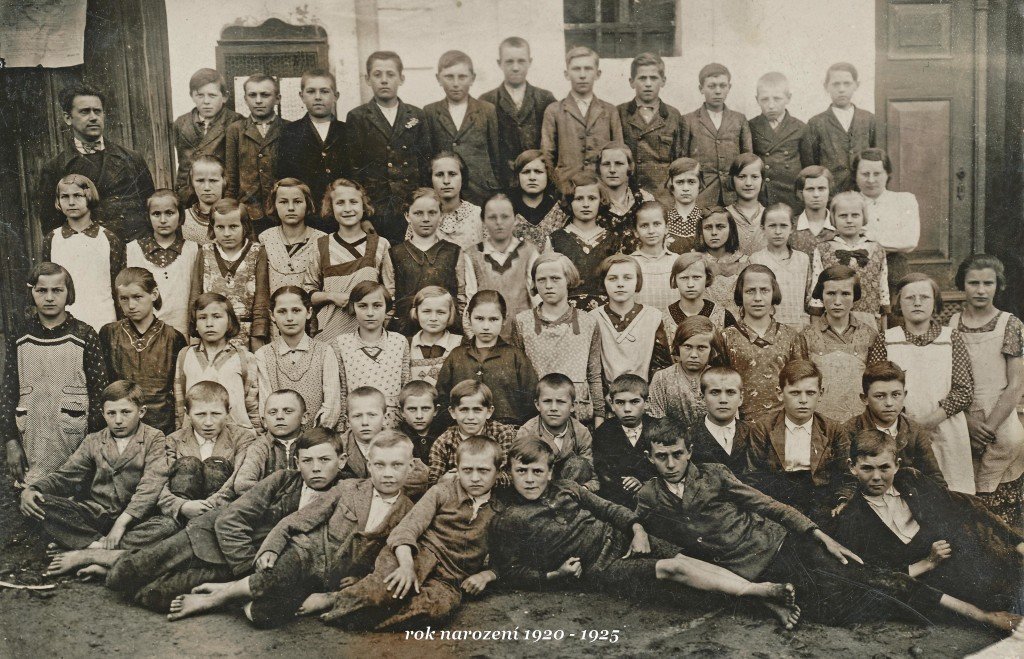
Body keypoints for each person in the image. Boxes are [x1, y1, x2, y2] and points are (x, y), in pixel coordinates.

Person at [639, 428, 1021, 632]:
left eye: (677, 454)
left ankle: (982, 616)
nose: (671, 463)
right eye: (662, 456)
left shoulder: (714, 475)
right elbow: (641, 523)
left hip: (782, 544)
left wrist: (820, 535)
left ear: (689, 451)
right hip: (745, 568)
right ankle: (769, 600)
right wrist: (638, 529)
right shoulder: (649, 495)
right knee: (836, 607)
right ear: (650, 457)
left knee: (870, 584)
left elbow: (769, 506)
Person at [492, 438, 801, 629]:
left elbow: (610, 509)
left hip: (622, 538)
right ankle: (756, 592)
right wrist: (555, 575)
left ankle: (763, 597)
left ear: (549, 473)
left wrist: (637, 529)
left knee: (691, 560)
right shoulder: (509, 519)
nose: (529, 479)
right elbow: (511, 571)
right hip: (603, 566)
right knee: (676, 569)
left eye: (537, 471)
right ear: (510, 473)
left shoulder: (568, 488)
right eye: (522, 471)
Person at [44, 427, 345, 612]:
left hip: (232, 565)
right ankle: (93, 556)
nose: (316, 468)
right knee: (128, 574)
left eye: (324, 460)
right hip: (209, 537)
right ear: (297, 462)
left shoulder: (346, 494)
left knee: (152, 596)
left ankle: (112, 565)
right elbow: (231, 521)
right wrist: (244, 572)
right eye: (308, 461)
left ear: (341, 462)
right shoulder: (281, 481)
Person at [165, 432, 418, 626]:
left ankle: (231, 589)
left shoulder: (409, 510)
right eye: (380, 465)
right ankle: (211, 600)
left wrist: (360, 578)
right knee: (275, 576)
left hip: (327, 577)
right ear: (369, 466)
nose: (388, 474)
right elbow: (297, 520)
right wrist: (272, 548)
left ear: (411, 467)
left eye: (396, 465)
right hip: (305, 553)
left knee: (263, 615)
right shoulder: (349, 488)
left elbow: (385, 555)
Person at [320, 436, 504, 630]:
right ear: (457, 469)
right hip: (415, 555)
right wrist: (407, 566)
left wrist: (486, 575)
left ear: (498, 472)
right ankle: (335, 599)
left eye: (483, 471)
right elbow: (406, 529)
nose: (475, 478)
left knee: (435, 609)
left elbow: (504, 561)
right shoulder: (441, 492)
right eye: (467, 470)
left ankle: (366, 618)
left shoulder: (499, 511)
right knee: (386, 589)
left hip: (450, 577)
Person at [834, 430, 1024, 613]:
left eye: (885, 468)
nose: (877, 477)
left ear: (897, 465)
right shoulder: (851, 516)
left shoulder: (910, 480)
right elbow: (873, 575)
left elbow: (965, 504)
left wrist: (1017, 541)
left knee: (1004, 570)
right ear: (852, 467)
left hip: (954, 559)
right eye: (867, 468)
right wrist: (927, 563)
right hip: (920, 584)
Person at [18, 380, 169, 550]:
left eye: (126, 412)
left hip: (135, 517)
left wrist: (121, 522)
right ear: (103, 414)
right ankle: (100, 546)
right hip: (98, 514)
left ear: (141, 412)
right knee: (37, 502)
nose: (118, 420)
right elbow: (66, 476)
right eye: (111, 413)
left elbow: (152, 483)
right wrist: (34, 488)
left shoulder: (154, 438)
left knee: (167, 525)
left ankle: (85, 545)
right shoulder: (93, 440)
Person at [2, 263, 108, 485]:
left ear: (69, 293)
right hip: (32, 438)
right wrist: (11, 441)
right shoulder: (20, 336)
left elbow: (99, 394)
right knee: (33, 496)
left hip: (74, 438)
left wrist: (92, 447)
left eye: (57, 290)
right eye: (42, 290)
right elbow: (9, 392)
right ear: (32, 293)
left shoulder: (85, 335)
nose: (49, 297)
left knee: (73, 494)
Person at [868, 273, 975, 493]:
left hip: (946, 428)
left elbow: (963, 391)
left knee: (950, 493)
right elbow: (876, 387)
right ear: (899, 303)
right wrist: (906, 424)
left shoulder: (951, 338)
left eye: (924, 297)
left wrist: (927, 423)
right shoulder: (886, 339)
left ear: (935, 302)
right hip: (899, 430)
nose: (917, 302)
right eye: (910, 298)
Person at [950, 254, 1024, 521]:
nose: (981, 290)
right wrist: (967, 422)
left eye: (988, 283)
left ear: (998, 285)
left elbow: (1015, 385)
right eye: (974, 283)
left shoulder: (1010, 324)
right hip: (964, 417)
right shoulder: (952, 325)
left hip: (1000, 418)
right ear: (963, 284)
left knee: (999, 485)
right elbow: (947, 380)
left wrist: (988, 429)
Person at [40, 83, 155, 240]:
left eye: (97, 111)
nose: (93, 117)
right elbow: (52, 228)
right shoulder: (55, 167)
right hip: (86, 248)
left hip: (131, 247)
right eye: (85, 111)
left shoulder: (132, 159)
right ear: (68, 118)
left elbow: (151, 209)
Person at [746, 360, 852, 521]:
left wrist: (843, 500)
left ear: (821, 393)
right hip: (777, 505)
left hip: (822, 504)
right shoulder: (763, 428)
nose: (803, 400)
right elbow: (752, 476)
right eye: (795, 393)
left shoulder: (833, 429)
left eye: (810, 393)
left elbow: (847, 474)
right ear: (780, 393)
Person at [346, 51, 431, 245]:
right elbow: (354, 170)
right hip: (376, 208)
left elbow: (425, 164)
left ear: (401, 78)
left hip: (411, 206)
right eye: (377, 74)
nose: (384, 80)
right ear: (367, 79)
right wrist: (363, 216)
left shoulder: (416, 115)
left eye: (390, 74)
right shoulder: (358, 117)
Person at [510, 253, 604, 425]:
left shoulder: (588, 322)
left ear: (568, 279)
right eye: (541, 280)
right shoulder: (522, 322)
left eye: (555, 278)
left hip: (579, 416)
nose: (548, 286)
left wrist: (599, 419)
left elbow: (594, 375)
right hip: (537, 416)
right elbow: (517, 377)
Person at [100, 267, 188, 434]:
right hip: (120, 424)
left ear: (154, 294)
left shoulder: (173, 337)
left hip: (162, 426)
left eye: (137, 297)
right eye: (124, 299)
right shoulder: (109, 334)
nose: (131, 305)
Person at [303, 178, 390, 343]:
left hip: (371, 337)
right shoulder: (321, 245)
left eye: (354, 202)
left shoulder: (380, 244)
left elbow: (390, 293)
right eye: (340, 203)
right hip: (330, 336)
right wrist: (332, 296)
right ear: (331, 207)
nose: (348, 209)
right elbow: (308, 293)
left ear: (363, 206)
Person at [158, 381, 256, 525]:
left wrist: (209, 507)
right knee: (188, 463)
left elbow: (239, 478)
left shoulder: (242, 438)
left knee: (216, 463)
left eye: (216, 414)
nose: (208, 422)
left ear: (228, 411)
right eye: (200, 414)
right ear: (187, 412)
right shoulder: (173, 441)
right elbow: (160, 483)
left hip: (222, 514)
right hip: (181, 514)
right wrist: (182, 506)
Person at [436, 291, 538, 425]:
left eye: (493, 319)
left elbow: (531, 400)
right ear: (468, 317)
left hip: (507, 432)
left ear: (504, 319)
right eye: (479, 319)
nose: (486, 326)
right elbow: (442, 398)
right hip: (465, 431)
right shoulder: (456, 356)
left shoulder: (515, 357)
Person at [792, 266, 878, 422]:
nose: (837, 302)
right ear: (821, 295)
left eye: (845, 294)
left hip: (860, 422)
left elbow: (876, 386)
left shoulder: (869, 335)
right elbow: (800, 385)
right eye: (831, 293)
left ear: (854, 296)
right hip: (819, 423)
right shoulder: (806, 336)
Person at [842, 361, 946, 487]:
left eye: (896, 395)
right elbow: (845, 483)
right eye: (880, 396)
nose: (889, 403)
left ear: (904, 395)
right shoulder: (849, 431)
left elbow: (935, 479)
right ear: (865, 398)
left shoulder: (915, 430)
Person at [43, 173, 125, 331]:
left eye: (77, 195)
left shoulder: (108, 238)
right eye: (65, 196)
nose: (71, 202)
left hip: (102, 319)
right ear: (58, 201)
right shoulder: (52, 239)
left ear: (89, 196)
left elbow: (119, 286)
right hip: (64, 322)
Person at [382, 188, 469, 336]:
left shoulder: (454, 251)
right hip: (405, 330)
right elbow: (389, 300)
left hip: (447, 332)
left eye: (432, 213)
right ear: (407, 216)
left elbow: (462, 299)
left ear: (441, 216)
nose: (426, 219)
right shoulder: (395, 254)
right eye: (418, 213)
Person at [189, 198, 271, 350]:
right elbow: (196, 295)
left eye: (233, 226)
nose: (226, 233)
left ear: (245, 226)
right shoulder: (205, 252)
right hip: (210, 332)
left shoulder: (257, 252)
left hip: (246, 334)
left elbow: (261, 299)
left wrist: (258, 335)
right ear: (212, 227)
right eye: (220, 227)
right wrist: (194, 333)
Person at [255, 286, 341, 429]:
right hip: (278, 436)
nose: (289, 318)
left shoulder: (324, 351)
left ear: (309, 312)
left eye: (296, 310)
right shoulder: (263, 355)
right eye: (282, 311)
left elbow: (332, 404)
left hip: (318, 437)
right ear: (272, 315)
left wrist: (315, 436)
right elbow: (265, 404)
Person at [721, 265, 799, 420]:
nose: (757, 298)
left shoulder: (790, 336)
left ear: (774, 293)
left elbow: (800, 384)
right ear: (740, 294)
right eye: (750, 291)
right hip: (741, 424)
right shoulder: (727, 337)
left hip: (782, 424)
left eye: (764, 290)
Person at [541, 46, 624, 193]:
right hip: (566, 189)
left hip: (601, 189)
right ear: (567, 74)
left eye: (588, 69)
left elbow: (619, 153)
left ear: (597, 74)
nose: (582, 75)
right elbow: (547, 155)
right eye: (576, 69)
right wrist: (558, 187)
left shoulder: (610, 111)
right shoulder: (554, 111)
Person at [174, 292, 261, 431]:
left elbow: (251, 405)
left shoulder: (244, 357)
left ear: (229, 322)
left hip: (236, 436)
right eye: (202, 318)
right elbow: (180, 403)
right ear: (195, 324)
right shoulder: (185, 355)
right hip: (196, 435)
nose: (209, 324)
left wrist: (256, 435)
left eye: (216, 317)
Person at [424, 50, 501, 205]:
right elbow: (428, 155)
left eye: (462, 77)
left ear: (472, 78)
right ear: (438, 78)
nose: (456, 83)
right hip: (445, 191)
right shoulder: (430, 112)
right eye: (449, 77)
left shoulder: (487, 110)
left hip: (481, 191)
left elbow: (495, 154)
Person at [275, 68, 349, 221]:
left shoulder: (348, 131)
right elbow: (284, 176)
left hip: (342, 214)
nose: (318, 97)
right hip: (305, 216)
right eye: (311, 91)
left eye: (324, 91)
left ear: (336, 96)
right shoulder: (289, 132)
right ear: (301, 96)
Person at [481, 37, 556, 187]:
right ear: (499, 63)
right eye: (509, 61)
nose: (515, 67)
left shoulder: (545, 98)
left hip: (538, 180)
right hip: (503, 181)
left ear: (530, 62)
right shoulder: (487, 101)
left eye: (521, 61)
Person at [335, 281, 410, 430]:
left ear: (387, 308)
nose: (370, 313)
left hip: (393, 426)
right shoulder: (342, 343)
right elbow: (342, 391)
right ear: (353, 307)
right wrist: (341, 427)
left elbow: (406, 385)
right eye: (362, 306)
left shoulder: (399, 342)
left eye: (377, 306)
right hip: (357, 424)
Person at [463, 194, 539, 339]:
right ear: (483, 220)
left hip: (524, 335)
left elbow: (537, 298)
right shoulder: (472, 255)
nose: (499, 222)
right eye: (492, 217)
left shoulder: (529, 252)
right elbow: (469, 300)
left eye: (505, 217)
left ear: (515, 219)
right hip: (486, 336)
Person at [126, 189, 199, 335]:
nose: (163, 220)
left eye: (169, 213)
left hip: (182, 329)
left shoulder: (193, 250)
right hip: (144, 330)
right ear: (148, 217)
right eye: (156, 214)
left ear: (180, 215)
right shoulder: (133, 249)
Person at [591, 254, 672, 385]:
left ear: (637, 281)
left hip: (644, 392)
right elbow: (592, 367)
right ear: (603, 282)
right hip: (606, 393)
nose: (620, 284)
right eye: (612, 278)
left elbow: (661, 366)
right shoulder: (593, 318)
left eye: (627, 278)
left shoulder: (653, 317)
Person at [618, 52, 686, 207]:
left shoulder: (673, 116)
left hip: (663, 198)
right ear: (631, 82)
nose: (648, 84)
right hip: (629, 195)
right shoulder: (620, 113)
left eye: (653, 78)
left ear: (663, 81)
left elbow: (679, 162)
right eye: (642, 78)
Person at [811, 191, 889, 325]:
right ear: (833, 218)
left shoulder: (877, 250)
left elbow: (883, 293)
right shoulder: (823, 249)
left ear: (863, 217)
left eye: (855, 215)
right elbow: (816, 294)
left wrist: (883, 328)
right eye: (843, 216)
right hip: (833, 321)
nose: (849, 220)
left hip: (868, 320)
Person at [683, 63, 752, 208]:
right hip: (702, 195)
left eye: (723, 85)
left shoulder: (739, 119)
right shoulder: (688, 121)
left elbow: (748, 159)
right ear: (701, 88)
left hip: (733, 194)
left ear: (729, 87)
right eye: (712, 86)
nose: (718, 91)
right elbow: (682, 162)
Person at [549, 172, 620, 310]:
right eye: (579, 198)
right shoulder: (555, 240)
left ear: (601, 200)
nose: (586, 204)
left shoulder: (613, 240)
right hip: (566, 311)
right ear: (569, 201)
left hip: (605, 311)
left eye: (592, 198)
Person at [514, 372, 597, 490]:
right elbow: (519, 472)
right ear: (537, 405)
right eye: (547, 401)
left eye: (560, 402)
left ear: (572, 406)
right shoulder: (527, 432)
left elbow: (593, 475)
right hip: (537, 489)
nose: (553, 408)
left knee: (580, 463)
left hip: (571, 492)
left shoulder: (581, 432)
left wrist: (584, 489)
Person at [591, 374, 664, 507]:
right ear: (612, 404)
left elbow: (665, 465)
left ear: (647, 403)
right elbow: (602, 470)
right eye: (620, 402)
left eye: (634, 402)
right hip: (616, 498)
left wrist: (643, 482)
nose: (627, 409)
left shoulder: (658, 429)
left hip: (653, 496)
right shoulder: (604, 431)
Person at [427, 380, 518, 486]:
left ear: (489, 412)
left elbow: (511, 475)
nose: (470, 417)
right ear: (453, 412)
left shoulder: (502, 433)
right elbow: (433, 482)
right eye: (464, 410)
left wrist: (466, 478)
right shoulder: (444, 443)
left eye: (477, 410)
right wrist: (442, 480)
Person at [803, 63, 876, 192]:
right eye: (836, 84)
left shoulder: (869, 119)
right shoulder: (816, 123)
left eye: (847, 84)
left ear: (856, 85)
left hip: (863, 192)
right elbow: (810, 164)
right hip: (832, 193)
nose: (841, 89)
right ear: (826, 87)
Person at [173, 68, 242, 205]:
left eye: (212, 95)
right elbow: (182, 162)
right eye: (200, 95)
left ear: (224, 97)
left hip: (221, 194)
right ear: (192, 96)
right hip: (188, 195)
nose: (206, 101)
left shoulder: (235, 122)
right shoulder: (181, 123)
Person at [224, 74, 287, 225]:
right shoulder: (235, 130)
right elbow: (231, 177)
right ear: (245, 99)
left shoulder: (289, 128)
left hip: (282, 212)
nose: (258, 100)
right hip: (248, 212)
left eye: (265, 95)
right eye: (252, 95)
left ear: (277, 98)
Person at [855, 148, 921, 289]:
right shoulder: (848, 203)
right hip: (857, 267)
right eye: (865, 174)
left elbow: (909, 241)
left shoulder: (904, 200)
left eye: (877, 174)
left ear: (887, 174)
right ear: (855, 175)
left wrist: (867, 237)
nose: (871, 180)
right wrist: (890, 239)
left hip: (894, 268)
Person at [230, 389, 312, 494]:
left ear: (304, 418)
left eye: (288, 411)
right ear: (264, 421)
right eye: (273, 412)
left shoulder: (312, 445)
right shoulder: (259, 447)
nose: (279, 417)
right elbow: (243, 484)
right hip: (268, 501)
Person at [749, 72, 809, 211]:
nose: (771, 105)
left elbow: (808, 168)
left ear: (788, 98)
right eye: (765, 99)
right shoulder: (750, 126)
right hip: (762, 197)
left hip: (790, 197)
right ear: (757, 99)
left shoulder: (801, 128)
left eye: (777, 99)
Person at [648, 316, 721, 430]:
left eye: (701, 348)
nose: (693, 355)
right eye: (687, 346)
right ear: (678, 347)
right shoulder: (662, 378)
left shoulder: (720, 379)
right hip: (672, 438)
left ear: (712, 350)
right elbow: (656, 420)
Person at [258, 178, 327, 296]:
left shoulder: (321, 239)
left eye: (297, 202)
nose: (291, 208)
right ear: (274, 205)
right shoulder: (266, 238)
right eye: (283, 202)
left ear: (307, 204)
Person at [750, 203, 812, 328]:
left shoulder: (803, 259)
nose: (778, 232)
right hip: (767, 328)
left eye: (783, 226)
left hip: (798, 327)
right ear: (763, 228)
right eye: (772, 226)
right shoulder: (756, 259)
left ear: (792, 228)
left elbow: (809, 297)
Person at [684, 366, 754, 474]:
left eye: (730, 392)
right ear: (702, 398)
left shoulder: (754, 433)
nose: (723, 400)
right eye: (715, 392)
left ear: (740, 398)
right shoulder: (688, 435)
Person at [597, 142, 656, 254]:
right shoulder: (591, 200)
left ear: (630, 167)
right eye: (606, 164)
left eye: (619, 164)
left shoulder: (645, 200)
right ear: (599, 168)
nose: (612, 170)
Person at [662, 252, 738, 337]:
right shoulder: (664, 318)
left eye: (696, 277)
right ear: (675, 280)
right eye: (684, 278)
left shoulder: (723, 316)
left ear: (707, 278)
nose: (690, 284)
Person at [507, 150, 568, 252]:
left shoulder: (560, 212)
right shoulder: (508, 210)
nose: (532, 177)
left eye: (538, 172)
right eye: (526, 172)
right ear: (518, 176)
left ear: (547, 175)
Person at [695, 208, 748, 319]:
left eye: (720, 227)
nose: (714, 233)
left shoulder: (744, 261)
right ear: (701, 231)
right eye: (708, 227)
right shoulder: (694, 260)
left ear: (731, 229)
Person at [632, 201, 684, 313]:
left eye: (656, 224)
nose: (651, 231)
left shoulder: (678, 261)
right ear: (636, 232)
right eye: (644, 226)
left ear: (666, 228)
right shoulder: (629, 263)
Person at [407, 286, 463, 385]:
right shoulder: (406, 344)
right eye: (426, 311)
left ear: (450, 314)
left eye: (441, 312)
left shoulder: (460, 343)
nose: (433, 318)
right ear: (416, 312)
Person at [725, 153, 767, 256]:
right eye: (742, 177)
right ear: (732, 179)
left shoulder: (769, 215)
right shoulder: (724, 215)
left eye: (755, 177)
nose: (748, 183)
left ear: (762, 180)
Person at [789, 165, 836, 258]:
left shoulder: (838, 225)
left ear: (829, 191)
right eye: (810, 189)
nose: (816, 194)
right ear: (801, 193)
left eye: (821, 189)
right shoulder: (791, 227)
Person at [180, 155, 225, 245]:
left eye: (213, 180)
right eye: (200, 181)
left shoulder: (235, 215)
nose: (207, 187)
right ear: (192, 183)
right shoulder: (183, 219)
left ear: (224, 181)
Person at [663, 158, 704, 253]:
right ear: (671, 185)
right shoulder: (663, 220)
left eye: (691, 182)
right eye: (680, 182)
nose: (685, 188)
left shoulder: (705, 219)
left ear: (699, 185)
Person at [398, 380, 440, 464]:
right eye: (412, 409)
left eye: (425, 408)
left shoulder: (445, 436)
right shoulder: (397, 438)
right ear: (402, 411)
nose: (419, 416)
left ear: (436, 410)